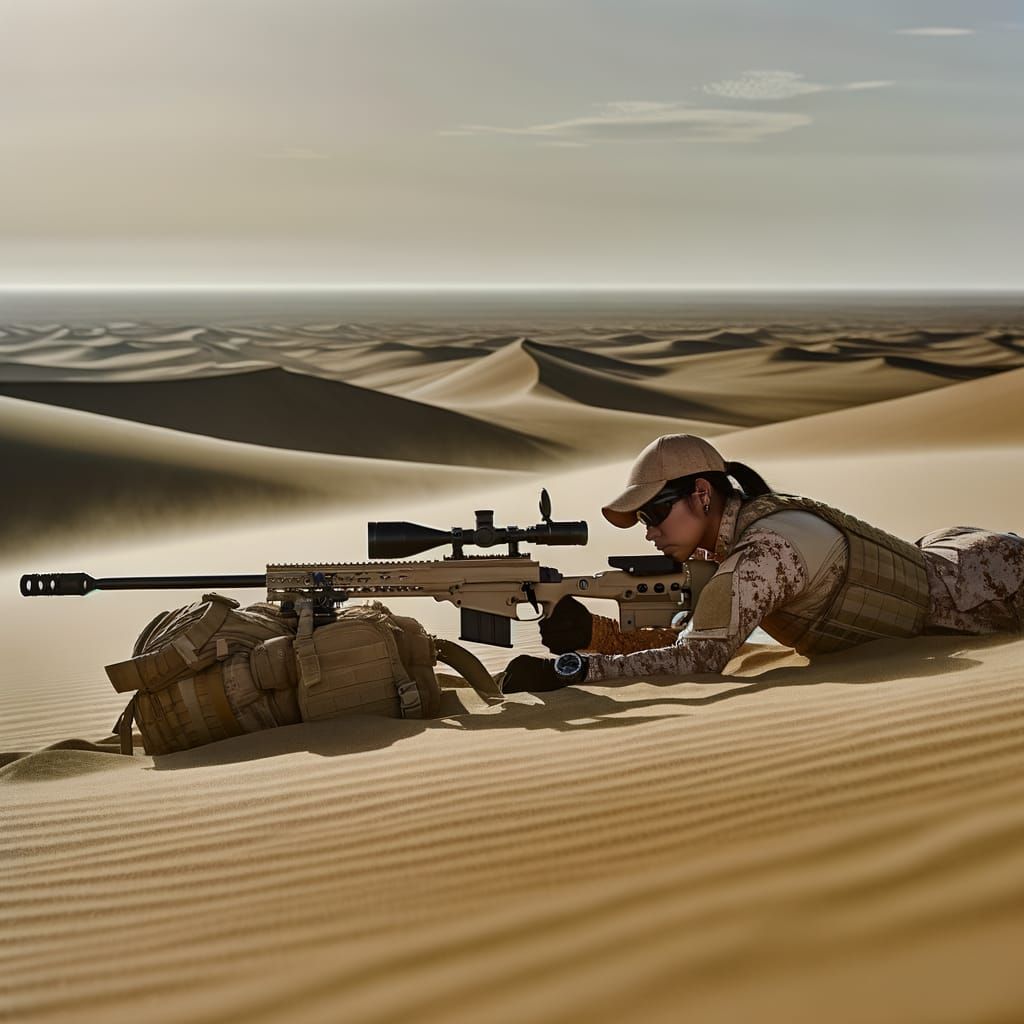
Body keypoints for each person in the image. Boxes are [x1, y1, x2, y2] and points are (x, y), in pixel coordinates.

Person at [500, 434, 1024, 692]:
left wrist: (573, 671)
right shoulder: (734, 545)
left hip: (982, 587)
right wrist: (597, 633)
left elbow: (701, 660)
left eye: (656, 511)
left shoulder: (764, 552)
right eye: (642, 520)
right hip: (953, 560)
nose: (650, 530)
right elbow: (699, 637)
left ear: (702, 495)